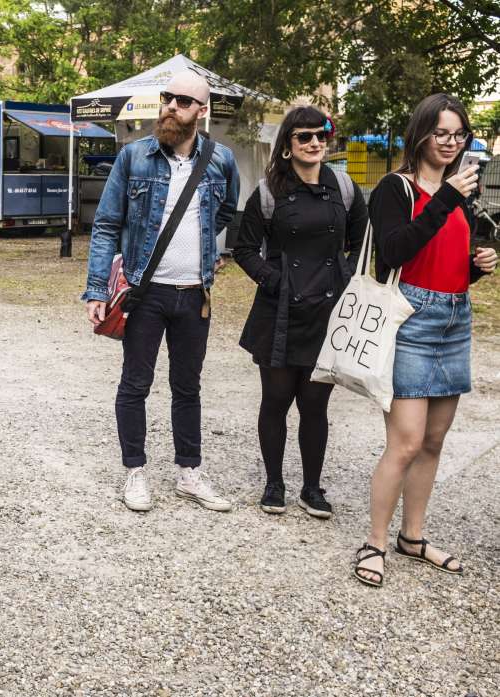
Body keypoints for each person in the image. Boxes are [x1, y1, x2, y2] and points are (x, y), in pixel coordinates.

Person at [353, 94, 497, 588]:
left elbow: (444, 261)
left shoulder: (461, 191)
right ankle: (374, 543)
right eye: (442, 134)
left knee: (434, 441)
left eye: (460, 135)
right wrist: (446, 199)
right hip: (410, 320)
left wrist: (476, 267)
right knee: (406, 442)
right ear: (421, 134)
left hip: (454, 318)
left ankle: (412, 538)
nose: (452, 143)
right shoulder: (395, 188)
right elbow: (395, 252)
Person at [84, 69, 240, 514]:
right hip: (144, 292)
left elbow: (227, 209)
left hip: (194, 293)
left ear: (201, 111)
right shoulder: (134, 157)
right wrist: (97, 289)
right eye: (167, 97)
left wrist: (204, 247)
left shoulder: (221, 160)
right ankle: (135, 471)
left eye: (183, 101)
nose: (171, 106)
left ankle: (189, 472)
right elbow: (107, 224)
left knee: (187, 387)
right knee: (135, 384)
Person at [233, 107, 368, 519]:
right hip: (279, 312)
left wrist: (345, 280)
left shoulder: (344, 188)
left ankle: (312, 488)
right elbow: (244, 249)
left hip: (327, 312)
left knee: (314, 404)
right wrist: (275, 281)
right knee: (276, 399)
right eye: (304, 136)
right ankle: (274, 483)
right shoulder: (268, 192)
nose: (314, 143)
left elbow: (363, 245)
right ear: (288, 145)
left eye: (321, 136)